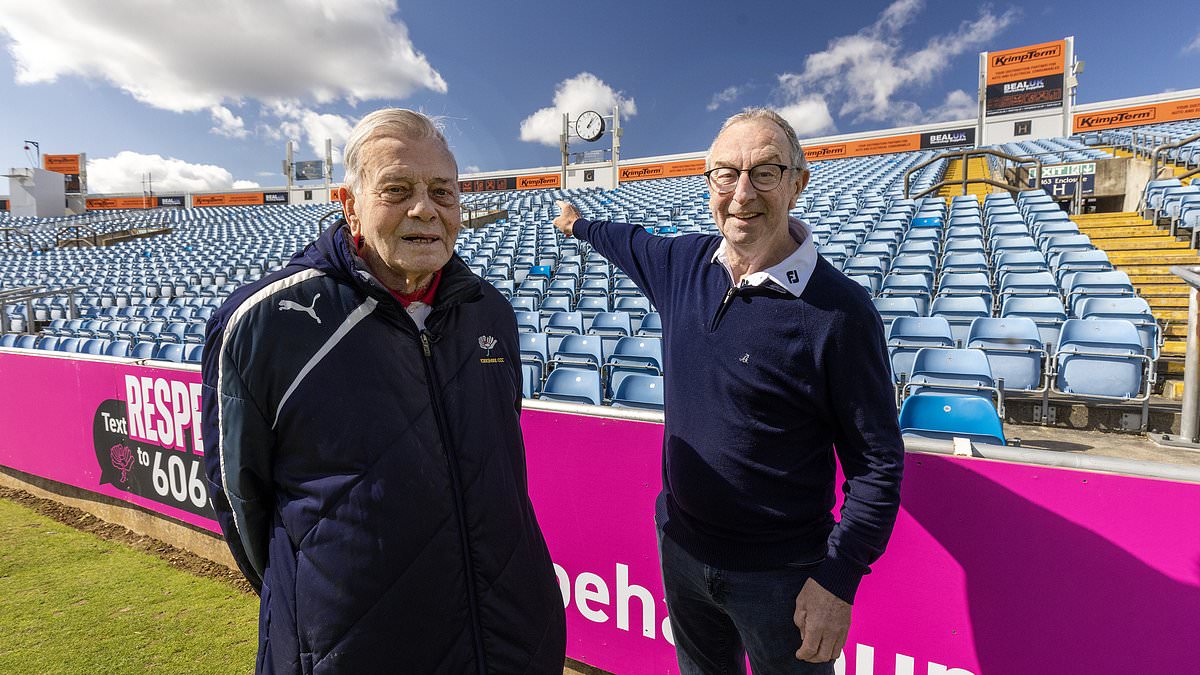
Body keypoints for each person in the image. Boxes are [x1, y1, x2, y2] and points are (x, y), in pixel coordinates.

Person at [202, 108, 566, 674]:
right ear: (348, 203)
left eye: (442, 191)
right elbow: (240, 500)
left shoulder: (488, 308)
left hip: (509, 640)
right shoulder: (266, 322)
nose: (425, 208)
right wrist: (317, 603)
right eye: (397, 189)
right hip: (352, 651)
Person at [553, 108, 904, 674]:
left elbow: (877, 464)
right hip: (682, 550)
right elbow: (624, 240)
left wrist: (838, 579)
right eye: (726, 174)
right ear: (708, 182)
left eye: (764, 172)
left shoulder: (841, 312)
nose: (742, 193)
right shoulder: (682, 263)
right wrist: (577, 225)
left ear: (798, 182)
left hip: (783, 578)